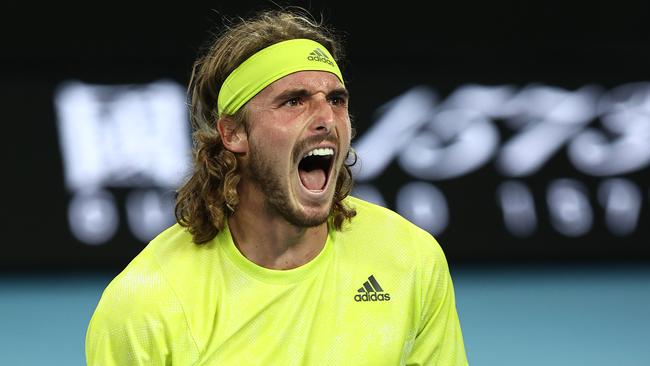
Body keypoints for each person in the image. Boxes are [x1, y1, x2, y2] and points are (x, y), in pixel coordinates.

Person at [85, 7, 468, 366]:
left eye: (336, 99)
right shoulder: (145, 304)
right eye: (293, 102)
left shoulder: (410, 260)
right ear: (233, 133)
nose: (326, 119)